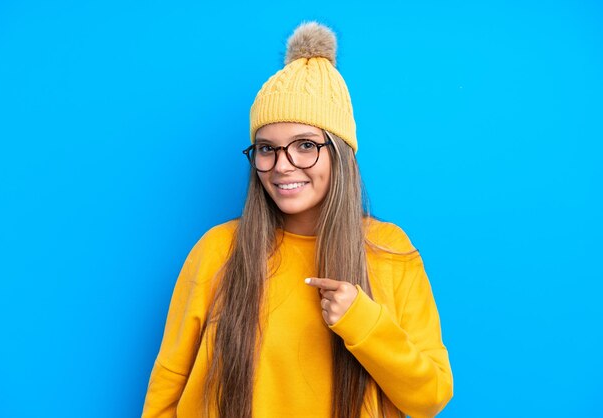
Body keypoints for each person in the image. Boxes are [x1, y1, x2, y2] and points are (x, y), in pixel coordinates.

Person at [142, 21, 453, 418]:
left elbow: (429, 398)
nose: (282, 166)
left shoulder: (389, 250)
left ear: (341, 154)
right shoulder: (217, 250)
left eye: (305, 145)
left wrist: (363, 321)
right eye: (266, 148)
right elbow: (167, 386)